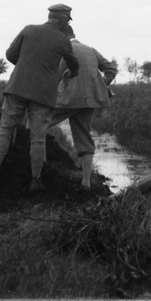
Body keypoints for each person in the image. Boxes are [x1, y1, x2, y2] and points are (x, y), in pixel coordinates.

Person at [0, 4, 79, 192]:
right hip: (42, 94)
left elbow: (10, 54)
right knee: (38, 137)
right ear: (63, 20)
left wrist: (27, 65)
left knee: (5, 129)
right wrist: (68, 73)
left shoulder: (28, 30)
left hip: (17, 87)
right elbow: (74, 66)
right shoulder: (64, 41)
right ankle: (35, 181)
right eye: (68, 21)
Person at [49, 24, 116, 190]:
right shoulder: (91, 50)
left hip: (67, 99)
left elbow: (54, 75)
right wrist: (100, 85)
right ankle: (86, 181)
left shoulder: (63, 49)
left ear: (63, 35)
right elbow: (111, 69)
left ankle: (38, 171)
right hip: (89, 101)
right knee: (84, 138)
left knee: (38, 124)